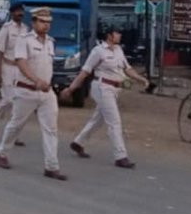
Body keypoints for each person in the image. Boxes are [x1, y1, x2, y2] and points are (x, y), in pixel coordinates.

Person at [0, 6, 66, 179]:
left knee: (51, 129)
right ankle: (2, 153)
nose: (46, 25)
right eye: (42, 21)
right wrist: (36, 81)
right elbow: (21, 63)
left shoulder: (50, 41)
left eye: (48, 22)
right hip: (26, 90)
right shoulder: (24, 40)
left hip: (46, 92)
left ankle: (51, 166)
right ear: (34, 22)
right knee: (16, 124)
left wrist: (46, 83)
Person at [62, 26, 147, 168]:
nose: (119, 35)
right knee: (114, 122)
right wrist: (71, 89)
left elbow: (127, 68)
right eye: (117, 33)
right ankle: (120, 156)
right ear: (109, 35)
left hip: (115, 88)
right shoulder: (98, 51)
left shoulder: (119, 50)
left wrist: (140, 79)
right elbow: (85, 72)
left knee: (98, 119)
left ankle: (78, 142)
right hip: (102, 87)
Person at [0, 2, 28, 140]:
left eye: (22, 11)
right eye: (18, 11)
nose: (20, 14)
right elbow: (0, 51)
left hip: (20, 69)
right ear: (12, 13)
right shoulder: (6, 28)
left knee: (18, 101)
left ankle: (13, 134)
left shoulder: (25, 29)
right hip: (7, 67)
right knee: (7, 99)